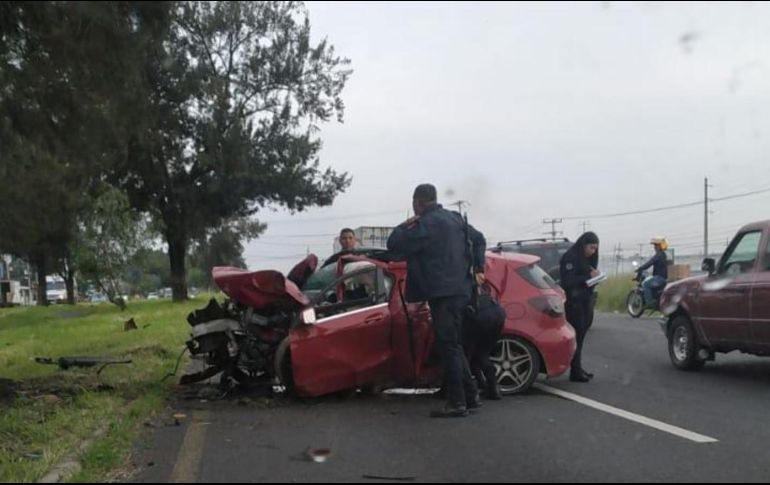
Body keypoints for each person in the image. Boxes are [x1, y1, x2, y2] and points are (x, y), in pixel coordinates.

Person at [387, 183, 486, 418]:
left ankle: (457, 402)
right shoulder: (455, 219)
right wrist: (479, 268)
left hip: (441, 293)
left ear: (417, 202)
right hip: (461, 290)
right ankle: (470, 396)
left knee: (448, 346)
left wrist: (405, 224)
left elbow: (394, 244)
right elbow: (479, 239)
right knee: (454, 344)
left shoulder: (424, 224)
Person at [559, 232, 600, 383]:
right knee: (576, 336)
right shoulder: (570, 257)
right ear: (583, 245)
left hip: (585, 301)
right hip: (574, 302)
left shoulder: (586, 260)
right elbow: (568, 281)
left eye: (595, 249)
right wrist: (588, 277)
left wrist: (595, 277)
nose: (593, 252)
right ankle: (574, 371)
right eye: (591, 248)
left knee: (581, 337)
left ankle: (578, 368)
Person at [463, 284, 506, 400]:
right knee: (482, 353)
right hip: (496, 311)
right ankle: (492, 389)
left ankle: (471, 392)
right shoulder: (469, 274)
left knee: (465, 354)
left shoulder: (453, 279)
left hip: (478, 314)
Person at [637, 236, 669, 305]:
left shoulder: (658, 255)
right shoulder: (663, 255)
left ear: (658, 246)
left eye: (655, 245)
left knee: (646, 284)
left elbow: (650, 263)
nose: (654, 247)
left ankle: (650, 302)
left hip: (659, 278)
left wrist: (641, 268)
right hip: (663, 278)